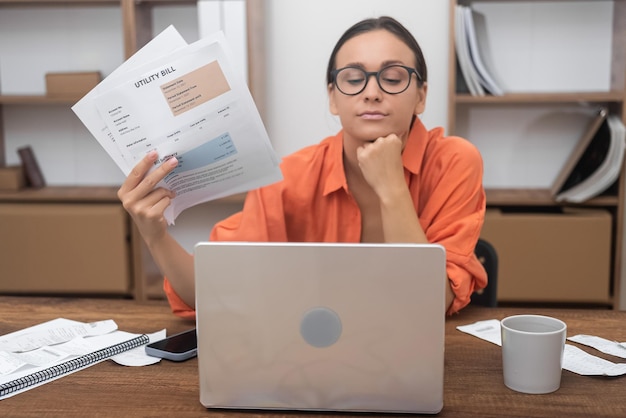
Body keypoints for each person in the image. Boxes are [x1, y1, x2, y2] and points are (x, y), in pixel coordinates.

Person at [118, 16, 487, 319]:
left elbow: (428, 303)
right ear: (332, 98)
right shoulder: (290, 176)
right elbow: (214, 292)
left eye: (392, 78)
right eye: (353, 79)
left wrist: (391, 187)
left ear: (421, 96)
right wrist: (155, 234)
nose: (372, 92)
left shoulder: (454, 161)